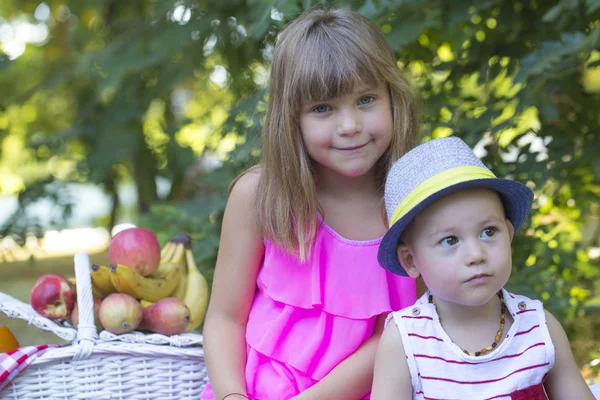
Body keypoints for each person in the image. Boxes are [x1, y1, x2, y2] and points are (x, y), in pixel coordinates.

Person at [200, 7, 421, 400]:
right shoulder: (259, 197)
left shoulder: (415, 204)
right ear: (291, 119)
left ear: (393, 100)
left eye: (366, 99)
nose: (349, 125)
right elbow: (224, 319)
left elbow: (401, 334)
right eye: (323, 108)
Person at [371, 136, 596, 399]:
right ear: (411, 260)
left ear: (509, 234)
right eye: (450, 240)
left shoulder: (539, 327)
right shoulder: (405, 341)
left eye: (489, 232)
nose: (476, 255)